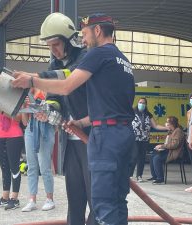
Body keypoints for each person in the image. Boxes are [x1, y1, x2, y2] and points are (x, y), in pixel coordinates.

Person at [12, 13, 135, 225]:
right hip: (111, 133)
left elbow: (68, 84)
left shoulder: (95, 54)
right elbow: (105, 107)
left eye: (85, 34)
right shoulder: (122, 60)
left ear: (97, 31)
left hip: (102, 138)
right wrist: (70, 118)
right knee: (113, 202)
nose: (84, 40)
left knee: (102, 206)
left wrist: (32, 80)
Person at [30, 12, 97, 225]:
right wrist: (48, 110)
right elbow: (54, 97)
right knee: (75, 199)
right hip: (71, 142)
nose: (53, 50)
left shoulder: (86, 58)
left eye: (56, 44)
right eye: (49, 46)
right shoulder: (55, 65)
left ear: (69, 40)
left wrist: (36, 79)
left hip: (91, 138)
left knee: (97, 201)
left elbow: (69, 78)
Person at [20, 88, 60, 212]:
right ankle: (32, 199)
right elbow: (25, 122)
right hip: (31, 129)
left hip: (46, 129)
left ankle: (50, 199)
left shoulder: (51, 93)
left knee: (44, 167)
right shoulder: (29, 93)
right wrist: (23, 105)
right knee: (31, 166)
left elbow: (56, 121)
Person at [0, 106, 25, 210]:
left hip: (15, 136)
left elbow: (18, 118)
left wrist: (2, 110)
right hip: (0, 135)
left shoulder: (17, 100)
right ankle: (5, 198)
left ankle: (14, 199)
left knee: (14, 168)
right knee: (4, 168)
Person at [129, 97, 168, 182]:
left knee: (142, 158)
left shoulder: (148, 114)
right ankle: (130, 176)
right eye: (140, 102)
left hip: (144, 139)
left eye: (143, 103)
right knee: (134, 156)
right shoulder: (132, 112)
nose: (141, 104)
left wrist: (166, 128)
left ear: (146, 105)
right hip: (134, 138)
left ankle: (139, 176)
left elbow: (155, 126)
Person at [149, 116, 185, 184]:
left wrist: (162, 146)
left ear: (172, 124)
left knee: (157, 158)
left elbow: (174, 145)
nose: (166, 123)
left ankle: (160, 179)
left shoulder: (178, 131)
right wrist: (160, 147)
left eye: (167, 122)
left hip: (173, 153)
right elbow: (167, 143)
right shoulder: (171, 131)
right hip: (168, 151)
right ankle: (155, 176)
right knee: (152, 156)